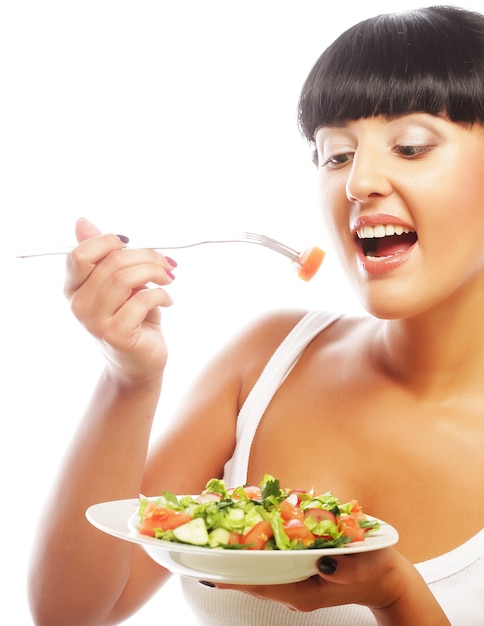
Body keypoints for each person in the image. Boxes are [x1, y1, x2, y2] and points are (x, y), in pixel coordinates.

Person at [28, 5, 484, 625]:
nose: (359, 184)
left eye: (410, 146)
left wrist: (396, 597)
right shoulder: (268, 357)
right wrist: (128, 375)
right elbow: (73, 614)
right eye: (336, 155)